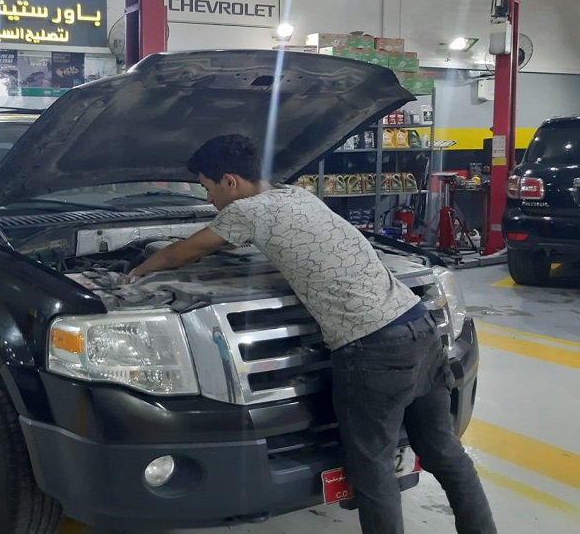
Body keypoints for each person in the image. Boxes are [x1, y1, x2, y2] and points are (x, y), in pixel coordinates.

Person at [129, 134, 496, 534]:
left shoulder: (246, 211)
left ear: (230, 181)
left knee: (372, 468)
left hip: (373, 350)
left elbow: (184, 252)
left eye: (208, 188)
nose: (209, 199)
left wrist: (136, 271)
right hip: (420, 329)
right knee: (444, 452)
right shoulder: (297, 195)